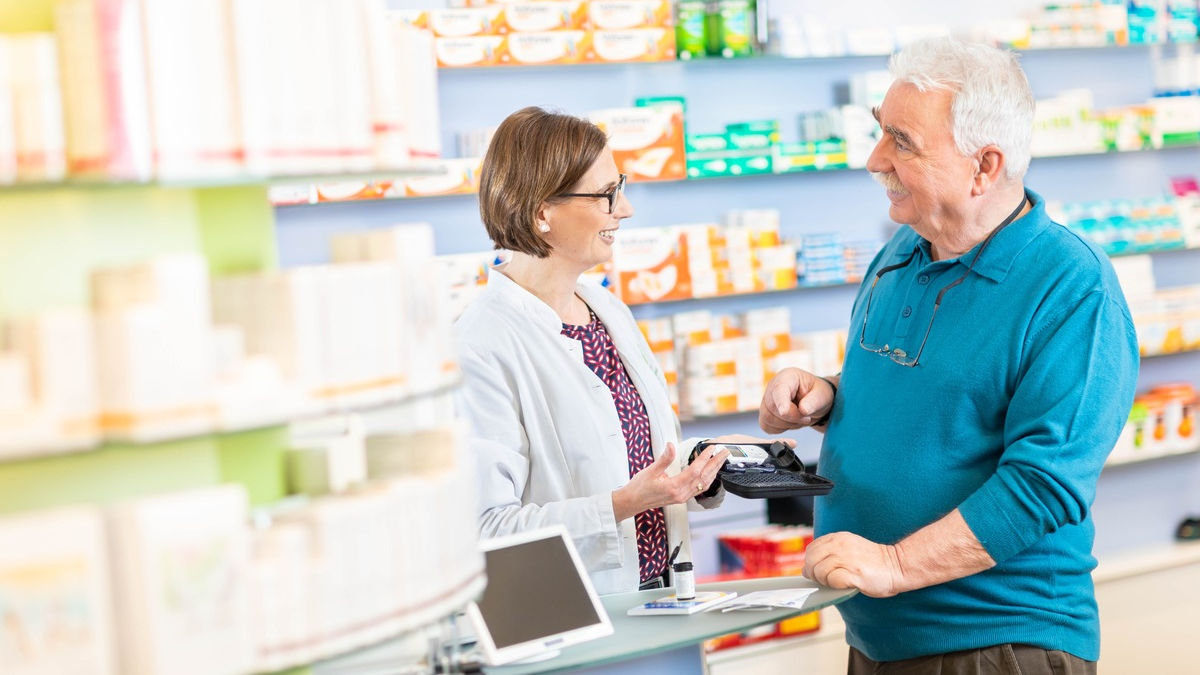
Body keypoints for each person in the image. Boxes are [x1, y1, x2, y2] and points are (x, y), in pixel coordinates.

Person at [759, 37, 1138, 673]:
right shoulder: (903, 253)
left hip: (996, 645)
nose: (875, 159)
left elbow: (1043, 486)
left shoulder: (1072, 287)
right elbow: (946, 390)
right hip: (878, 634)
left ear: (984, 166)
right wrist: (831, 393)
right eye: (880, 132)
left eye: (902, 142)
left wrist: (895, 564)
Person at [456, 106, 774, 595]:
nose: (624, 210)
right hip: (575, 620)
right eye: (607, 195)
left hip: (665, 597)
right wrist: (620, 505)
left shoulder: (606, 309)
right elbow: (486, 529)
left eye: (619, 188)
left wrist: (706, 464)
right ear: (543, 211)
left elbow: (625, 458)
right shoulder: (481, 344)